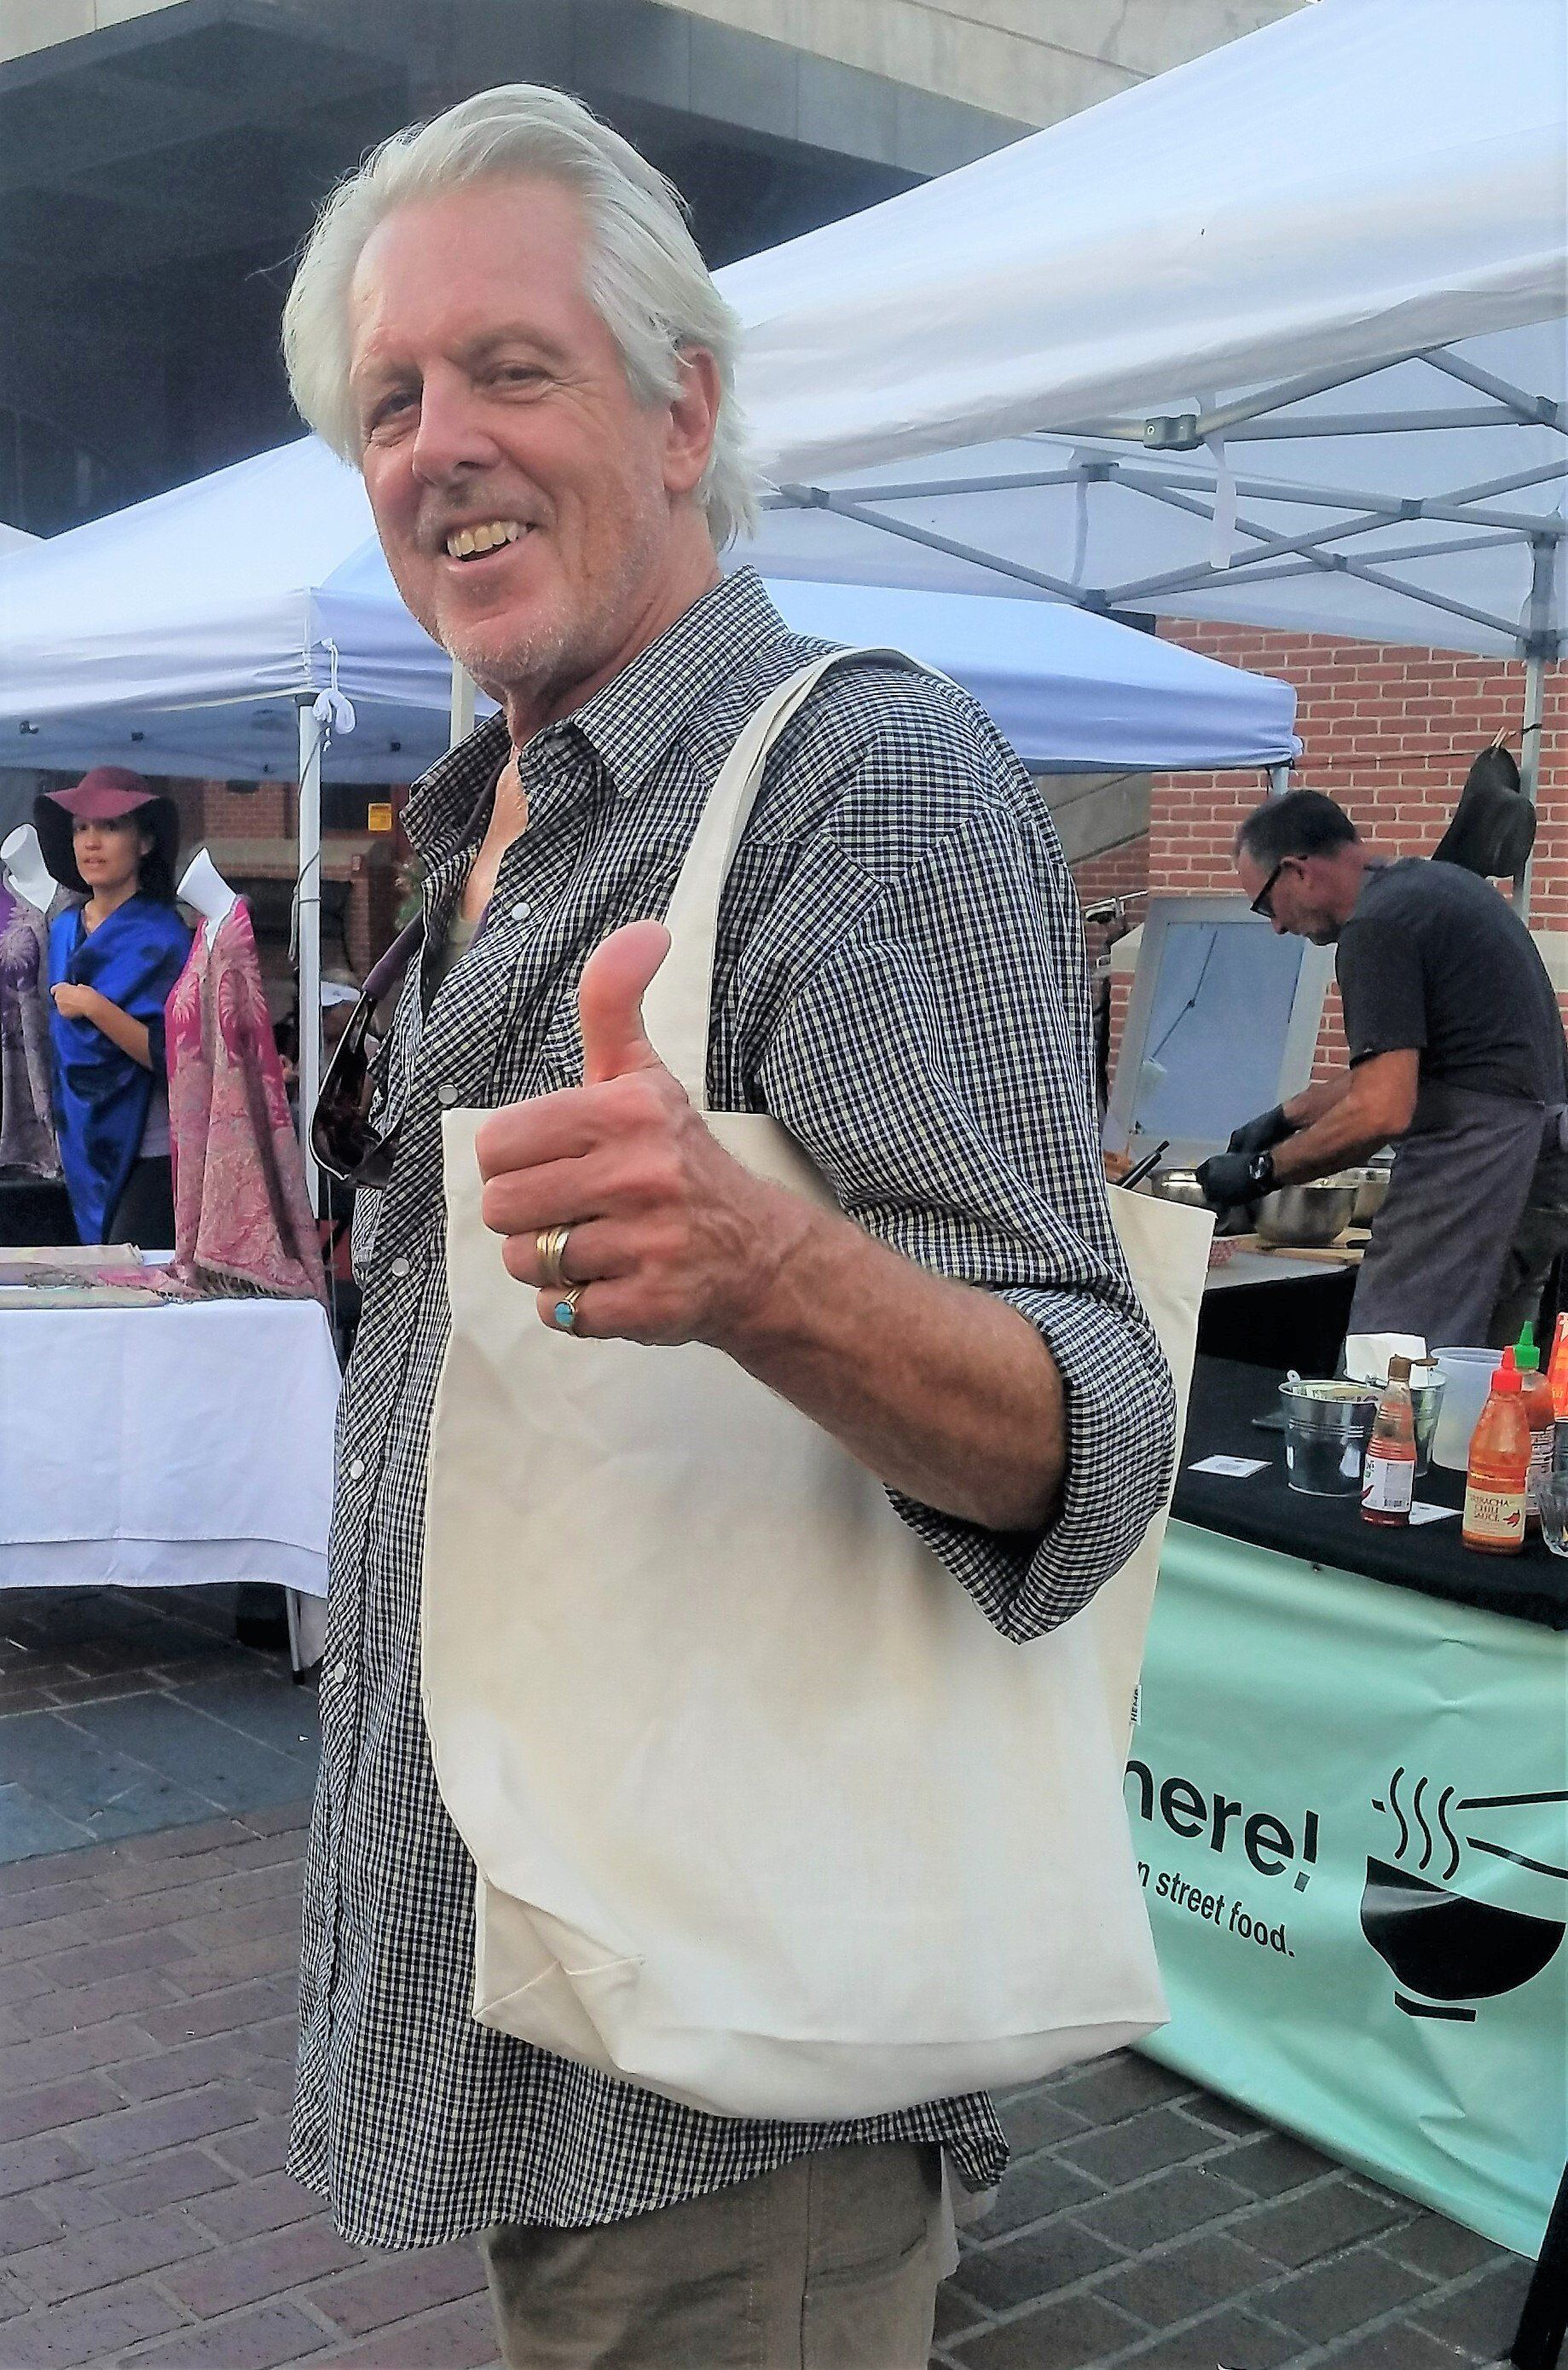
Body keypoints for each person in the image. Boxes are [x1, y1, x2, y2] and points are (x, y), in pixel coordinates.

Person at [280, 83, 1174, 2367]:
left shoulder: (847, 780)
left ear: (682, 407)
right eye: (389, 400)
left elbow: (1091, 1439)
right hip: (561, 1990)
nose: (438, 443)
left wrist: (768, 1267)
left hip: (731, 2088)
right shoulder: (493, 802)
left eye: (510, 369)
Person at [1201, 789, 1568, 1347]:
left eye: (1265, 905)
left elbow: (1381, 1109)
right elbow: (1412, 1059)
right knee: (1485, 1379)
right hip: (1540, 1162)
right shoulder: (1437, 887)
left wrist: (1262, 1172)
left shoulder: (1376, 927)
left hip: (1478, 1162)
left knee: (1392, 1360)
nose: (1275, 927)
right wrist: (1287, 1114)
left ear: (1297, 870)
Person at [35, 768, 191, 1248]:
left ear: (144, 842)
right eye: (81, 828)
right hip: (80, 1144)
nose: (91, 843)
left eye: (109, 827)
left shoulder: (165, 937)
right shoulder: (61, 929)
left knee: (132, 1289)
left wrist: (95, 1006)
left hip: (152, 1150)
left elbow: (174, 1058)